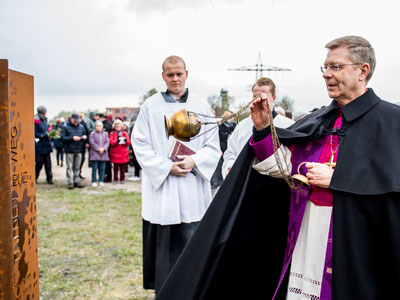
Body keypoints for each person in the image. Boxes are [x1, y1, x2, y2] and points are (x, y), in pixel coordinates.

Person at [156, 36, 400, 300]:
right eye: (325, 67)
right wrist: (263, 131)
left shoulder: (391, 122)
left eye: (336, 67)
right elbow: (284, 169)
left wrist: (339, 178)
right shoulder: (317, 120)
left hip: (356, 242)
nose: (327, 74)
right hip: (307, 232)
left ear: (363, 70)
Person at [131, 55, 220, 294]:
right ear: (163, 76)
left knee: (193, 245)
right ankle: (166, 291)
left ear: (186, 74)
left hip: (192, 189)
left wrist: (194, 160)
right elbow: (139, 142)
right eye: (170, 74)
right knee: (166, 249)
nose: (175, 78)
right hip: (164, 191)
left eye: (179, 73)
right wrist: (165, 166)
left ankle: (193, 290)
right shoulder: (150, 106)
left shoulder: (201, 106)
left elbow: (213, 145)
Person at [222, 77, 294, 179]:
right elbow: (230, 152)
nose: (259, 100)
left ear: (273, 98)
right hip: (245, 183)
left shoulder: (288, 125)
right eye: (255, 97)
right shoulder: (242, 126)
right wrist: (230, 166)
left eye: (264, 96)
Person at [210, 111, 236, 188]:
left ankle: (227, 183)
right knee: (219, 167)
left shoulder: (234, 126)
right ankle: (216, 183)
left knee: (228, 166)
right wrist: (219, 149)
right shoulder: (220, 127)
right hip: (221, 149)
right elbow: (216, 139)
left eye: (231, 117)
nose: (230, 119)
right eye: (228, 118)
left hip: (230, 150)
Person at [61, 113, 87, 189]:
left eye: (78, 121)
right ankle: (70, 182)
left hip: (79, 149)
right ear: (71, 119)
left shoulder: (81, 127)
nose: (77, 122)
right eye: (75, 121)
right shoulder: (65, 127)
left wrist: (84, 137)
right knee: (69, 167)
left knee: (77, 167)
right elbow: (62, 138)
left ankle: (77, 181)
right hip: (69, 150)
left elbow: (84, 134)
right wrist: (72, 138)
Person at [34, 105, 53, 184]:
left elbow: (47, 130)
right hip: (40, 145)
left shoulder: (45, 121)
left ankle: (49, 179)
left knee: (48, 164)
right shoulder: (36, 120)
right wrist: (43, 135)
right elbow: (35, 133)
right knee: (39, 163)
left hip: (46, 145)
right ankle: (34, 178)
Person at [109, 119, 131, 184]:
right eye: (116, 126)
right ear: (114, 126)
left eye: (119, 125)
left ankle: (122, 179)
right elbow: (111, 142)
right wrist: (117, 141)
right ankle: (115, 179)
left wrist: (125, 140)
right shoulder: (112, 133)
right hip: (115, 153)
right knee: (115, 167)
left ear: (121, 126)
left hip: (123, 153)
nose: (118, 127)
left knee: (123, 167)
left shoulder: (124, 133)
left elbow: (129, 142)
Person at [89, 120, 109, 187]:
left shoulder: (105, 133)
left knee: (102, 168)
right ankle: (94, 181)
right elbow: (92, 142)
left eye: (100, 126)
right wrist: (98, 149)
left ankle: (101, 180)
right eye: (97, 126)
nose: (98, 127)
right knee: (94, 168)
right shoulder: (92, 133)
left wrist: (103, 148)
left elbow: (107, 142)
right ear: (95, 126)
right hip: (95, 153)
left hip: (103, 153)